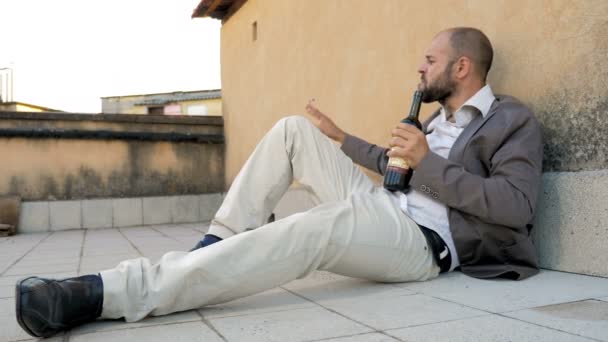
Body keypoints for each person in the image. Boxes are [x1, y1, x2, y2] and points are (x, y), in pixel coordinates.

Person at [15, 27, 543, 338]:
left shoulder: (509, 120)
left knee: (314, 227)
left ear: (463, 66)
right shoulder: (439, 121)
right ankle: (216, 245)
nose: (419, 68)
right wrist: (339, 137)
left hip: (423, 245)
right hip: (389, 204)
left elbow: (514, 205)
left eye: (430, 60)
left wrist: (426, 161)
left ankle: (115, 292)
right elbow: (396, 163)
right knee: (294, 130)